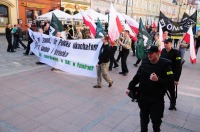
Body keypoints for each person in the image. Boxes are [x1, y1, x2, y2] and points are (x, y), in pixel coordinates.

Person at [126, 46, 174, 132]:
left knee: (156, 121)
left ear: (158, 53)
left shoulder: (165, 65)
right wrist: (130, 87)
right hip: (143, 97)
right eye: (148, 53)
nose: (149, 55)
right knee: (143, 120)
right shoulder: (144, 61)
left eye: (151, 53)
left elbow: (170, 82)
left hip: (156, 99)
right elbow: (138, 76)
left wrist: (158, 79)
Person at [161, 38, 182, 110]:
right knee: (160, 89)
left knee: (171, 91)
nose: (165, 44)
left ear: (171, 44)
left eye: (167, 43)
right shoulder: (163, 51)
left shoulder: (176, 52)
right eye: (165, 43)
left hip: (171, 75)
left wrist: (176, 79)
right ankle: (160, 102)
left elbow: (178, 67)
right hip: (163, 74)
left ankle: (172, 104)